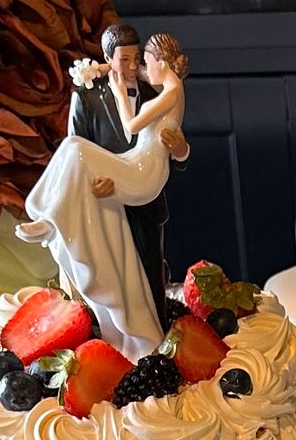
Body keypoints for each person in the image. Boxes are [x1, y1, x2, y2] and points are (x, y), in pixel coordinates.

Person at [17, 29, 190, 353]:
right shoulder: (86, 97)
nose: (133, 67)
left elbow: (167, 147)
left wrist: (181, 149)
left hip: (141, 195)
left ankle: (156, 348)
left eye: (138, 59)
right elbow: (76, 154)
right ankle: (49, 214)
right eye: (125, 60)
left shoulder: (155, 92)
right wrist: (93, 182)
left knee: (150, 283)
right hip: (99, 203)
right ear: (109, 58)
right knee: (72, 148)